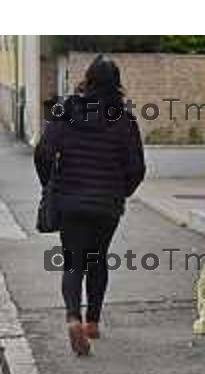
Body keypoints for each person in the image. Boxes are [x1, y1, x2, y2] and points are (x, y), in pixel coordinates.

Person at [34, 55, 145, 356]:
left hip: (70, 201)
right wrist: (120, 191)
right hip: (106, 205)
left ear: (88, 79)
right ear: (116, 84)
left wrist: (50, 184)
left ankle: (73, 318)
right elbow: (137, 168)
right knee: (98, 259)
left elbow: (43, 152)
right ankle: (93, 322)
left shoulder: (65, 111)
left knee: (73, 262)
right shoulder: (124, 118)